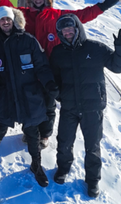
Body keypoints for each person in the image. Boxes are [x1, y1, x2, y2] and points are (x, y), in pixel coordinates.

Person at [0, 0, 120, 147]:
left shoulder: (57, 15)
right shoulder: (23, 14)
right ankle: (30, 131)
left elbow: (81, 15)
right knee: (29, 101)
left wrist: (102, 7)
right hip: (29, 69)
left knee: (48, 101)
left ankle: (45, 134)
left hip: (51, 67)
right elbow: (7, 11)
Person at [0, 6, 58, 188]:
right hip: (4, 95)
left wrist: (49, 84)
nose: (6, 22)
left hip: (28, 95)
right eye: (2, 20)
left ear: (14, 20)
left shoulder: (28, 40)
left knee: (33, 133)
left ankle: (36, 164)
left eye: (8, 19)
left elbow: (42, 66)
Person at [50, 14, 121, 198]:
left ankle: (92, 181)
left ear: (77, 28)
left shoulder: (95, 48)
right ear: (60, 32)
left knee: (93, 146)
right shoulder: (58, 53)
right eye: (64, 30)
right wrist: (59, 95)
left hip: (92, 107)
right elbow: (54, 78)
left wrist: (120, 48)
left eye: (70, 28)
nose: (67, 32)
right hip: (69, 107)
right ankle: (63, 168)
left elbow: (116, 66)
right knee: (64, 142)